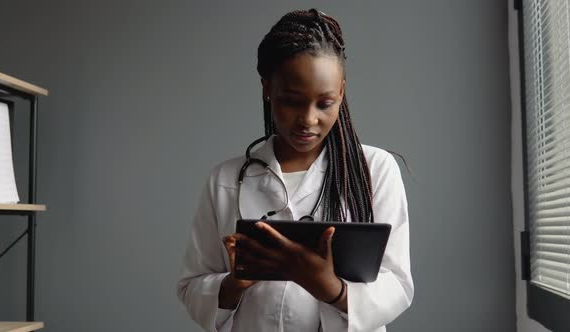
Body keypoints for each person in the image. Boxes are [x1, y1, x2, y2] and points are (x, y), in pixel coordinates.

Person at [177, 9, 413, 332]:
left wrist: (331, 288)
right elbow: (192, 286)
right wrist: (235, 283)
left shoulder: (376, 171)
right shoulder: (225, 181)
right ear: (267, 88)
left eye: (325, 103)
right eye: (292, 101)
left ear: (341, 92)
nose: (308, 119)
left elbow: (398, 284)